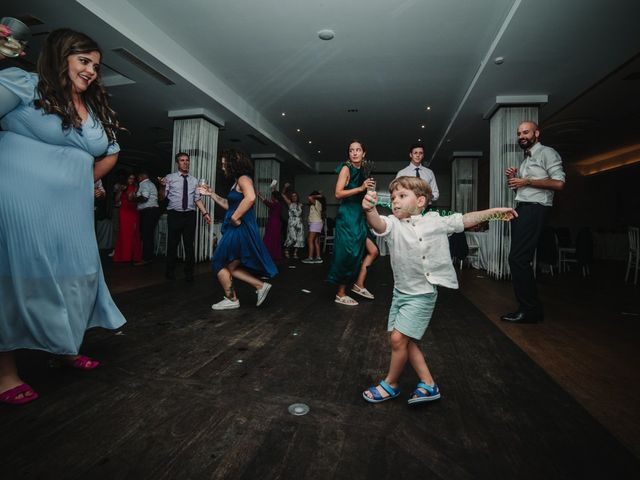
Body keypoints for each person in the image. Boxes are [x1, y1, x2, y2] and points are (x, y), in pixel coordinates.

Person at [0, 28, 126, 404]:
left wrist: (81, 180)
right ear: (61, 57)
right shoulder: (24, 84)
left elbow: (111, 151)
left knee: (78, 274)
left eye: (95, 66)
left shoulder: (94, 108)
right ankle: (5, 372)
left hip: (71, 211)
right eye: (84, 61)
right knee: (16, 277)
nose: (91, 71)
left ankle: (64, 346)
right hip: (20, 202)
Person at [361, 176, 516, 404]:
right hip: (401, 293)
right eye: (393, 197)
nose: (395, 202)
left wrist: (493, 212)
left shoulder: (435, 221)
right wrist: (370, 209)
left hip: (422, 294)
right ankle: (429, 384)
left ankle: (391, 384)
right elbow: (378, 224)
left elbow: (463, 220)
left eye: (402, 196)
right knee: (405, 341)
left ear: (421, 201)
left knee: (397, 339)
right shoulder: (394, 224)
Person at [501, 121, 565, 324]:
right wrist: (515, 179)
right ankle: (529, 308)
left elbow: (559, 183)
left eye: (526, 132)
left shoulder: (547, 152)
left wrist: (526, 181)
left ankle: (530, 310)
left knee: (518, 259)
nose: (522, 136)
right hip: (523, 208)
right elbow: (523, 190)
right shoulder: (526, 159)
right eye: (519, 133)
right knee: (519, 258)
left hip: (535, 209)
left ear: (536, 133)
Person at [199, 149, 277, 310]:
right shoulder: (237, 181)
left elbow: (251, 197)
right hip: (237, 228)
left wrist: (235, 217)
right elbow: (229, 205)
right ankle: (260, 286)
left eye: (223, 164)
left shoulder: (243, 179)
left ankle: (232, 299)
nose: (222, 167)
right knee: (232, 267)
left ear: (233, 163)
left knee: (218, 262)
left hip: (239, 228)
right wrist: (211, 194)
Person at [327, 140, 378, 306]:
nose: (355, 153)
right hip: (347, 215)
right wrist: (361, 188)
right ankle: (340, 294)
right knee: (349, 254)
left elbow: (364, 193)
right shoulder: (346, 168)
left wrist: (370, 191)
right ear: (348, 154)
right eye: (351, 150)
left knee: (373, 251)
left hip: (359, 215)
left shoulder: (363, 170)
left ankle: (359, 284)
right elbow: (338, 193)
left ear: (364, 153)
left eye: (358, 150)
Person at [158, 152, 212, 281]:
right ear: (177, 163)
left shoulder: (194, 180)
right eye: (182, 160)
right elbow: (161, 197)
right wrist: (162, 186)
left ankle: (189, 273)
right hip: (174, 215)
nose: (185, 162)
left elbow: (197, 199)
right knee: (172, 244)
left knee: (189, 245)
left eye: (187, 160)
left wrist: (205, 213)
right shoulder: (169, 178)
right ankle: (170, 272)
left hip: (189, 215)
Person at [112, 173, 142, 263]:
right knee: (124, 232)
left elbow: (137, 199)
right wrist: (120, 191)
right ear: (126, 179)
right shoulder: (122, 187)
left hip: (133, 210)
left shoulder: (136, 187)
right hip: (124, 211)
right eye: (130, 178)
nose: (131, 180)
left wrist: (134, 196)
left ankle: (133, 255)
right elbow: (116, 200)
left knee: (134, 232)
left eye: (133, 179)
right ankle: (124, 256)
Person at [133, 170, 160, 266]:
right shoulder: (150, 184)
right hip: (152, 210)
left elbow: (144, 197)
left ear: (142, 176)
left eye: (138, 177)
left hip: (149, 211)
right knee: (149, 234)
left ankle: (146, 258)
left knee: (146, 234)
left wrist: (133, 199)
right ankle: (149, 257)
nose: (138, 179)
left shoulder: (144, 184)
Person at [257, 188, 283, 262]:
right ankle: (274, 254)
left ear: (274, 197)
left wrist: (259, 195)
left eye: (272, 196)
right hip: (277, 222)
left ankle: (268, 253)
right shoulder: (280, 204)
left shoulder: (275, 204)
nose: (271, 197)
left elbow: (266, 202)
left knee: (269, 237)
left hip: (273, 222)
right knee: (275, 238)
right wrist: (274, 189)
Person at [302, 190, 326, 264]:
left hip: (315, 223)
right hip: (318, 223)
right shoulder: (318, 203)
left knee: (310, 240)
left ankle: (310, 258)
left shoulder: (316, 202)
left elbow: (309, 197)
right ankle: (318, 258)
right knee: (315, 241)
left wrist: (317, 196)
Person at [281, 187, 305, 259]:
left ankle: (295, 253)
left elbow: (301, 214)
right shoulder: (289, 203)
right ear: (291, 197)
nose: (294, 197)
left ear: (297, 197)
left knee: (299, 239)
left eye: (295, 196)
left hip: (299, 223)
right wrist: (285, 187)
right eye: (293, 196)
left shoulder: (301, 205)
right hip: (292, 223)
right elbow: (282, 194)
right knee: (292, 238)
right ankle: (286, 250)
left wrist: (302, 222)